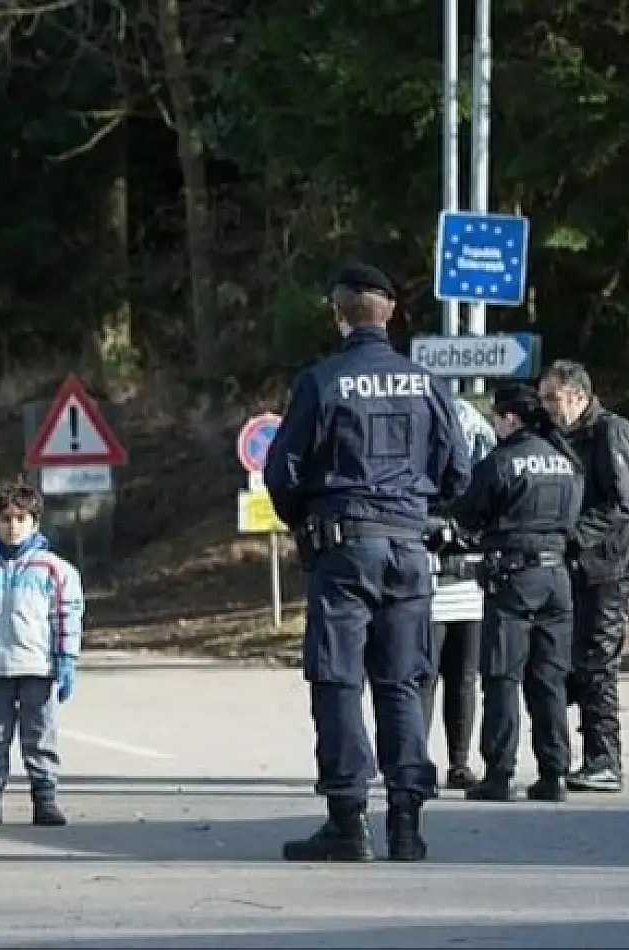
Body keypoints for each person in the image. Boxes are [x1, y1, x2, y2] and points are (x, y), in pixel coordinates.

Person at [264, 263, 470, 863]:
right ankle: (406, 824)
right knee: (403, 682)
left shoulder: (322, 381)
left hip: (345, 549)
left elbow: (283, 470)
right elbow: (458, 471)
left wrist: (305, 519)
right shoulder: (429, 383)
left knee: (337, 681)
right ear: (391, 312)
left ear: (339, 314)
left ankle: (347, 821)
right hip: (409, 548)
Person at [447, 384, 583, 803]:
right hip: (557, 579)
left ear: (510, 419)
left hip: (513, 579)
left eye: (497, 419)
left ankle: (499, 773)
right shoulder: (565, 460)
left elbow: (468, 513)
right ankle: (554, 773)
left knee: (502, 677)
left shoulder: (503, 461)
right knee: (549, 680)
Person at [538, 360, 629, 794]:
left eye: (553, 398)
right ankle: (582, 755)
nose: (546, 407)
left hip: (611, 566)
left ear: (579, 397)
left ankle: (605, 759)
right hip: (583, 568)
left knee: (598, 664)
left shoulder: (611, 433)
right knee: (573, 662)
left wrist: (571, 537)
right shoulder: (563, 437)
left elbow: (627, 503)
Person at [0, 480, 83, 829]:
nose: (13, 526)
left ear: (35, 522)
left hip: (37, 666)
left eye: (21, 518)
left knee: (39, 733)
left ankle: (45, 797)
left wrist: (66, 660)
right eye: (6, 518)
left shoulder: (54, 569)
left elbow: (67, 615)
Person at [422, 397, 498, 794]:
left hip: (469, 590)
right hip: (431, 590)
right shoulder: (420, 479)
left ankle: (459, 762)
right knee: (425, 678)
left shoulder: (487, 482)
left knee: (463, 680)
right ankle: (416, 760)